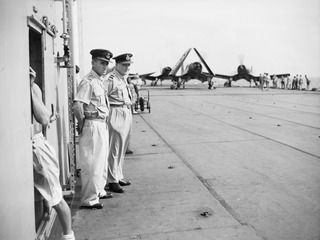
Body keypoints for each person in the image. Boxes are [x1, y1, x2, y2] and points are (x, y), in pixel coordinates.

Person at [30, 67, 75, 240]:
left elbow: (42, 118)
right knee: (35, 196)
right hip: (24, 149)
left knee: (55, 196)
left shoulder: (32, 87)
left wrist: (30, 85)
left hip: (36, 146)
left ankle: (68, 235)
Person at [73, 49, 113, 209]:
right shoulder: (88, 81)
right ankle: (89, 199)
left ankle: (99, 190)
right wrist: (82, 124)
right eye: (102, 62)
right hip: (92, 124)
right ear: (93, 62)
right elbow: (77, 105)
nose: (105, 66)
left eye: (106, 63)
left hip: (101, 124)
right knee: (91, 163)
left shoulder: (99, 81)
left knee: (101, 161)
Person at [104, 53, 133, 193]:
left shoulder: (123, 78)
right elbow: (102, 97)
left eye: (128, 65)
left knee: (122, 147)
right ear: (116, 65)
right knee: (114, 148)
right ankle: (111, 180)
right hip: (115, 112)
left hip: (126, 111)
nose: (127, 67)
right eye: (124, 65)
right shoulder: (111, 79)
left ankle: (118, 175)